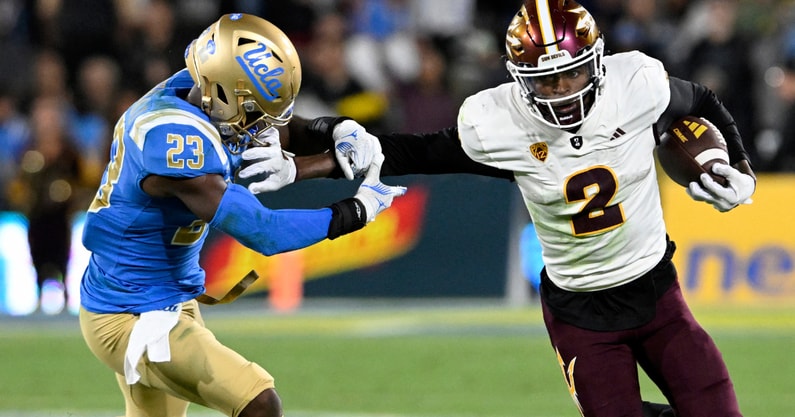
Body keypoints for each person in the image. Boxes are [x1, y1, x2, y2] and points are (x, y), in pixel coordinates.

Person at [249, 1, 757, 416]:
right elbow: (407, 150)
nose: (559, 91)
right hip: (581, 313)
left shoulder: (637, 84)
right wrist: (303, 165)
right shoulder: (502, 126)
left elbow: (702, 100)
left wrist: (738, 167)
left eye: (571, 75)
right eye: (544, 81)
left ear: (598, 63)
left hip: (657, 292)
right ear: (519, 79)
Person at [77, 13, 405, 417]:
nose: (263, 124)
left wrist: (333, 131)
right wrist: (358, 210)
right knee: (259, 403)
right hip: (131, 315)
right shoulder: (174, 145)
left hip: (163, 298)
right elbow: (264, 232)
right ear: (223, 94)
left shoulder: (197, 92)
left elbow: (263, 132)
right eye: (254, 111)